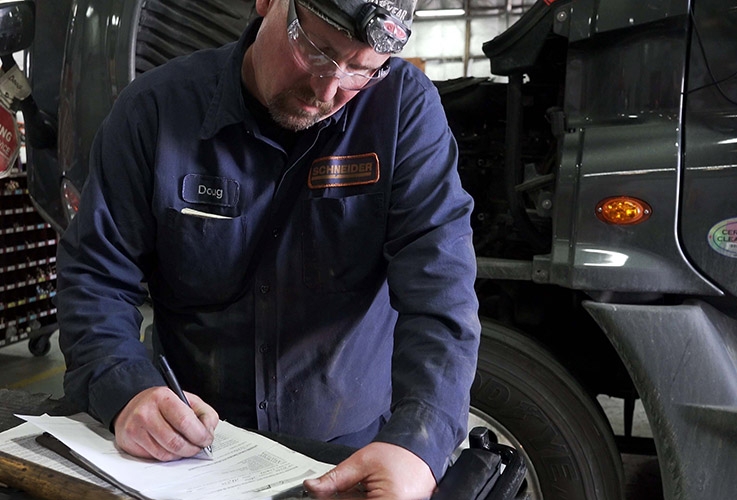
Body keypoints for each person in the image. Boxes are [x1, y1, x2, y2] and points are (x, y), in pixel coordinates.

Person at [55, 0, 481, 496]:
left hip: (346, 456)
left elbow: (442, 293)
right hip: (186, 456)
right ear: (267, 4)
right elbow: (96, 276)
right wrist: (125, 389)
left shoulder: (401, 112)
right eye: (317, 50)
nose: (327, 89)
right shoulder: (154, 111)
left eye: (360, 71)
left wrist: (415, 446)